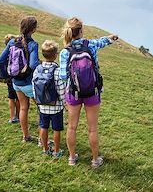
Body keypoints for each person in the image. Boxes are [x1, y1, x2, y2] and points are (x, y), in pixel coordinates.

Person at [60, 17, 118, 167]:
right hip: (93, 92)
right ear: (81, 31)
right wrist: (111, 38)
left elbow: (63, 76)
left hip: (74, 93)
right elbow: (102, 42)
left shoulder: (65, 52)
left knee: (72, 127)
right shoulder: (90, 45)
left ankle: (72, 158)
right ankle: (95, 160)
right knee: (92, 128)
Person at [0, 16, 40, 142]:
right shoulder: (33, 44)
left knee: (23, 108)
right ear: (33, 29)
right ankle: (42, 139)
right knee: (41, 108)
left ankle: (25, 136)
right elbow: (32, 65)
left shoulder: (12, 42)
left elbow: (0, 60)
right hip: (29, 83)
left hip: (16, 83)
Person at [33, 40, 65, 158]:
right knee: (57, 129)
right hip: (56, 107)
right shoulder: (57, 71)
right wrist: (65, 103)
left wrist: (37, 100)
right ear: (56, 55)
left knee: (43, 127)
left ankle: (45, 149)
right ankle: (56, 151)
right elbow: (61, 90)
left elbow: (34, 86)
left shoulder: (37, 69)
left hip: (42, 106)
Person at [4, 34, 20, 124]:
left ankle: (12, 117)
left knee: (11, 98)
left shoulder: (5, 54)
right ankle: (18, 116)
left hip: (9, 79)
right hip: (16, 78)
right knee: (18, 98)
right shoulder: (16, 53)